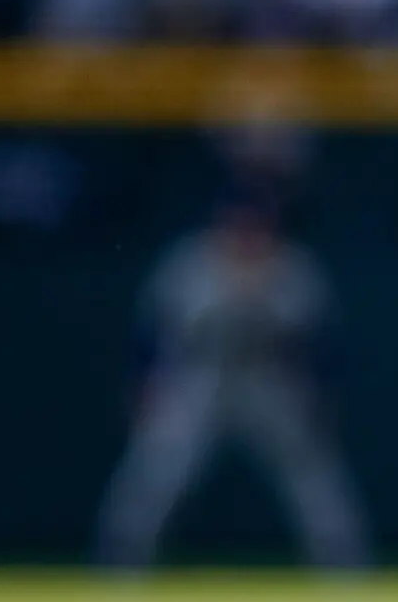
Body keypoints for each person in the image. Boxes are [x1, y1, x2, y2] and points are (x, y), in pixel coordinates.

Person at [94, 190, 369, 570]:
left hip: (268, 379)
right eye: (238, 224)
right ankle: (120, 561)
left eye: (256, 226)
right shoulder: (191, 264)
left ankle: (344, 563)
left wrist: (320, 396)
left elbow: (322, 344)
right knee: (158, 466)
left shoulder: (292, 268)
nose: (246, 233)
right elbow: (152, 333)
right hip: (201, 375)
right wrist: (146, 382)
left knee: (312, 473)